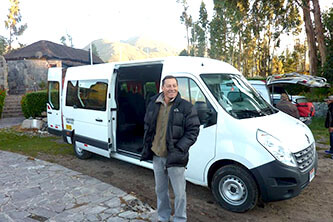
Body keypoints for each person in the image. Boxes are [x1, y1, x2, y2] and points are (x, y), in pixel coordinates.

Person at [140, 75, 200, 222]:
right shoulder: (154, 103)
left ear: (177, 87)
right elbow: (147, 125)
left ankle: (180, 219)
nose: (172, 88)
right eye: (168, 86)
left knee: (180, 193)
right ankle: (163, 217)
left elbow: (193, 130)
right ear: (163, 88)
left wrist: (179, 149)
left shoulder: (186, 107)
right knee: (160, 190)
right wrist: (148, 144)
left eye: (174, 85)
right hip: (157, 155)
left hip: (176, 157)